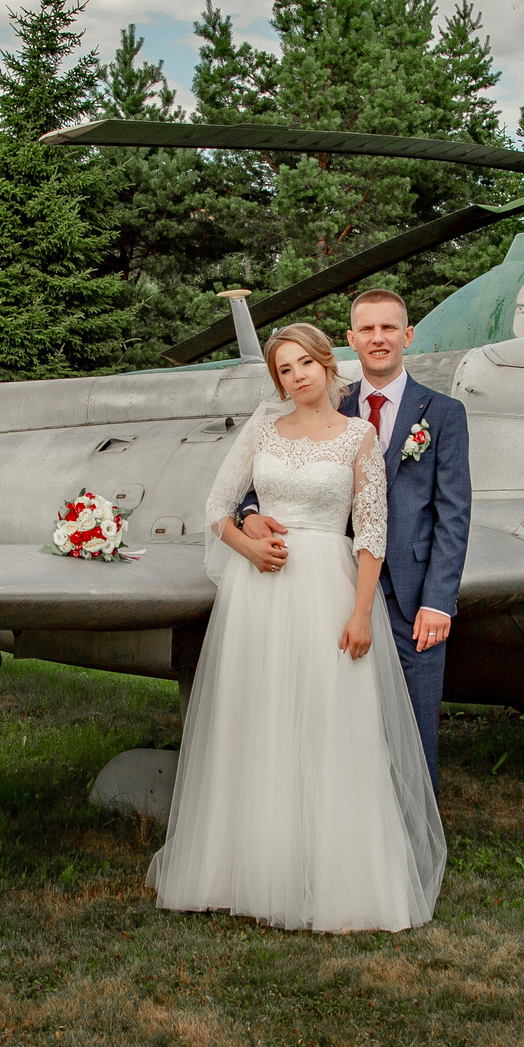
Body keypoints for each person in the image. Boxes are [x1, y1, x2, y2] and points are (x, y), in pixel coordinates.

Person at [148, 323, 444, 932]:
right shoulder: (262, 428)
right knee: (260, 721)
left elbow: (372, 534)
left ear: (326, 363)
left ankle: (336, 874)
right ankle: (246, 869)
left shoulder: (360, 438)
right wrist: (246, 543)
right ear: (277, 379)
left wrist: (362, 613)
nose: (298, 375)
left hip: (328, 592)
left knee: (329, 722)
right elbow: (216, 510)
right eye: (285, 369)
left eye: (305, 362)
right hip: (259, 595)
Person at [236, 289, 471, 788]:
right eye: (367, 330)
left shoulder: (444, 413)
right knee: (334, 722)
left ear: (407, 336)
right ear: (350, 340)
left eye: (388, 328)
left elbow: (454, 513)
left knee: (415, 724)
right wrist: (250, 514)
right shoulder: (324, 401)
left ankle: (412, 849)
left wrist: (438, 601)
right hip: (330, 593)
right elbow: (263, 474)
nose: (378, 339)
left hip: (411, 598)